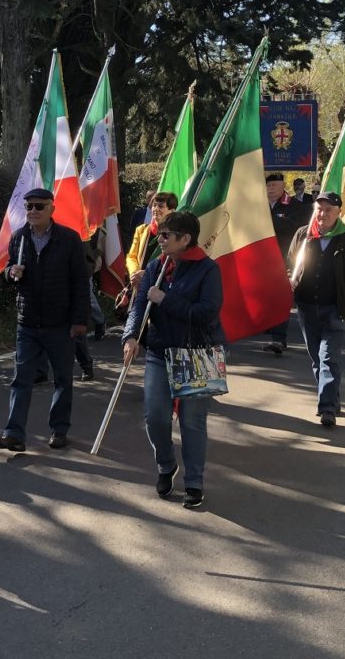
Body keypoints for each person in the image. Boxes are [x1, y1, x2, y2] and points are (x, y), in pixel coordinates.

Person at [122, 211, 225, 509]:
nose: (160, 239)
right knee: (155, 416)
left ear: (185, 239)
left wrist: (166, 300)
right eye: (160, 234)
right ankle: (166, 465)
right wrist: (130, 337)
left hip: (197, 352)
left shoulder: (208, 270)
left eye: (166, 235)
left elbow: (207, 312)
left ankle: (194, 482)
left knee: (193, 422)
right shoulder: (156, 265)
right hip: (159, 351)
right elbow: (139, 305)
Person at [0, 187, 90, 451]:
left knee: (62, 379)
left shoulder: (68, 240)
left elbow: (81, 282)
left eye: (39, 206)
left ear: (52, 209)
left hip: (60, 323)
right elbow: (9, 271)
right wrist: (11, 272)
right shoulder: (19, 237)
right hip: (28, 322)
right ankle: (13, 433)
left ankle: (59, 429)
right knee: (21, 379)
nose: (33, 211)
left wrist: (79, 320)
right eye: (29, 207)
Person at [287, 192, 345, 427]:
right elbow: (290, 263)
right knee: (317, 358)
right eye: (319, 209)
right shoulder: (304, 235)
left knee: (328, 358)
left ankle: (327, 408)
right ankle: (332, 398)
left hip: (336, 308)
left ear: (339, 212)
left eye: (328, 210)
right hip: (306, 307)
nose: (322, 214)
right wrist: (289, 279)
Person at [264, 172, 304, 354]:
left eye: (274, 185)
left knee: (281, 298)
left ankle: (279, 339)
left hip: (284, 259)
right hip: (262, 260)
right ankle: (269, 326)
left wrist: (266, 220)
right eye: (268, 185)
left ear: (283, 186)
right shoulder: (259, 205)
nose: (270, 188)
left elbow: (294, 228)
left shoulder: (295, 206)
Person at [126, 191, 177, 288]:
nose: (155, 209)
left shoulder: (176, 235)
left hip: (161, 286)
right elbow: (131, 256)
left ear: (172, 211)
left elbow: (173, 263)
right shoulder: (142, 230)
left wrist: (146, 275)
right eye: (154, 205)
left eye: (161, 206)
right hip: (138, 286)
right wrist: (135, 274)